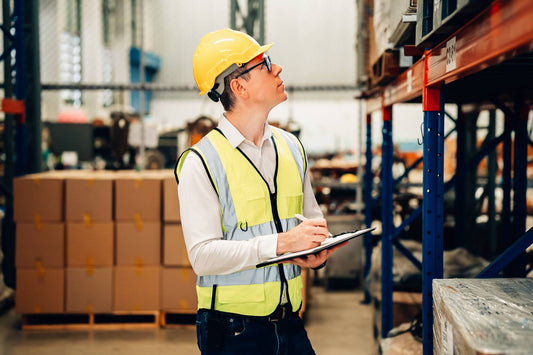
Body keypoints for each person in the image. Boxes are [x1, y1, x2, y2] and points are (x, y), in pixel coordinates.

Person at [175, 28, 347, 354]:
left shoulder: (292, 148)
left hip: (290, 323)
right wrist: (282, 244)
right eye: (266, 63)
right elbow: (202, 257)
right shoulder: (201, 162)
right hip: (232, 331)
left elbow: (310, 219)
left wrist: (315, 250)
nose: (278, 68)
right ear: (238, 86)